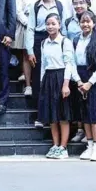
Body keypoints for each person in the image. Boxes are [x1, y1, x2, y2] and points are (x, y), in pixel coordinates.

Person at [72, 11, 96, 161]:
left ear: (93, 23)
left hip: (94, 79)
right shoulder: (75, 40)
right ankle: (89, 146)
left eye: (88, 21)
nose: (85, 24)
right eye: (82, 21)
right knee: (84, 114)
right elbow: (72, 62)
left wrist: (89, 83)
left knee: (95, 115)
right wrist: (79, 81)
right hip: (80, 79)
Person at [38, 13, 74, 159]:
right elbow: (43, 65)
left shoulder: (65, 42)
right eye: (48, 24)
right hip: (48, 77)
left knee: (62, 114)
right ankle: (55, 144)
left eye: (53, 23)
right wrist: (42, 82)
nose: (50, 26)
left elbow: (69, 63)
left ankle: (63, 147)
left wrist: (66, 84)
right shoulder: (43, 43)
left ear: (59, 25)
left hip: (61, 77)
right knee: (52, 114)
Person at [15, 0, 42, 96]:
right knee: (27, 55)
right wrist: (27, 22)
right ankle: (28, 85)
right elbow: (18, 9)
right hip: (26, 25)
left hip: (42, 26)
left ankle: (38, 82)